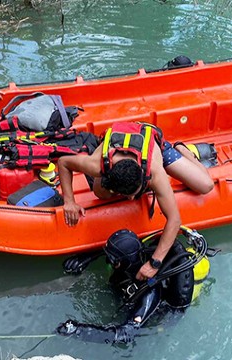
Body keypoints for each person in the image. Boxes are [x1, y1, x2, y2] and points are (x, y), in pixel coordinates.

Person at [57, 122, 215, 282]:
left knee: (205, 185)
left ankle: (183, 150)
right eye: (126, 195)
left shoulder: (155, 173)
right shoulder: (96, 165)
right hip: (115, 151)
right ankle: (116, 186)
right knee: (100, 193)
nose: (131, 199)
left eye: (134, 194)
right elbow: (63, 162)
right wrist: (69, 201)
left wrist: (154, 263)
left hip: (155, 146)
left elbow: (174, 220)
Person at [57, 227, 211, 344]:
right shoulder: (130, 264)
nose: (109, 262)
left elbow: (125, 334)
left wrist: (79, 330)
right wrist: (86, 258)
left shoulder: (150, 292)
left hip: (154, 316)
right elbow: (117, 253)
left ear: (121, 263)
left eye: (113, 260)